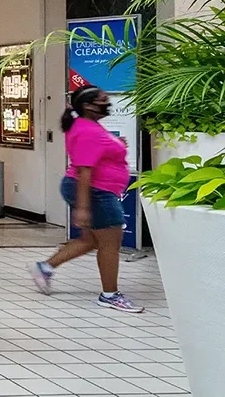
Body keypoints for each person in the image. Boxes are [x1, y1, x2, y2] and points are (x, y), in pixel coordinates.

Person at [30, 86, 142, 312]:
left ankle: (45, 268)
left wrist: (117, 146)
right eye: (102, 99)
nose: (107, 101)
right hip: (96, 191)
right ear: (88, 106)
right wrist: (83, 207)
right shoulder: (87, 130)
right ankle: (110, 295)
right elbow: (84, 171)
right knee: (110, 244)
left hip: (97, 190)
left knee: (90, 240)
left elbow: (99, 154)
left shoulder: (88, 125)